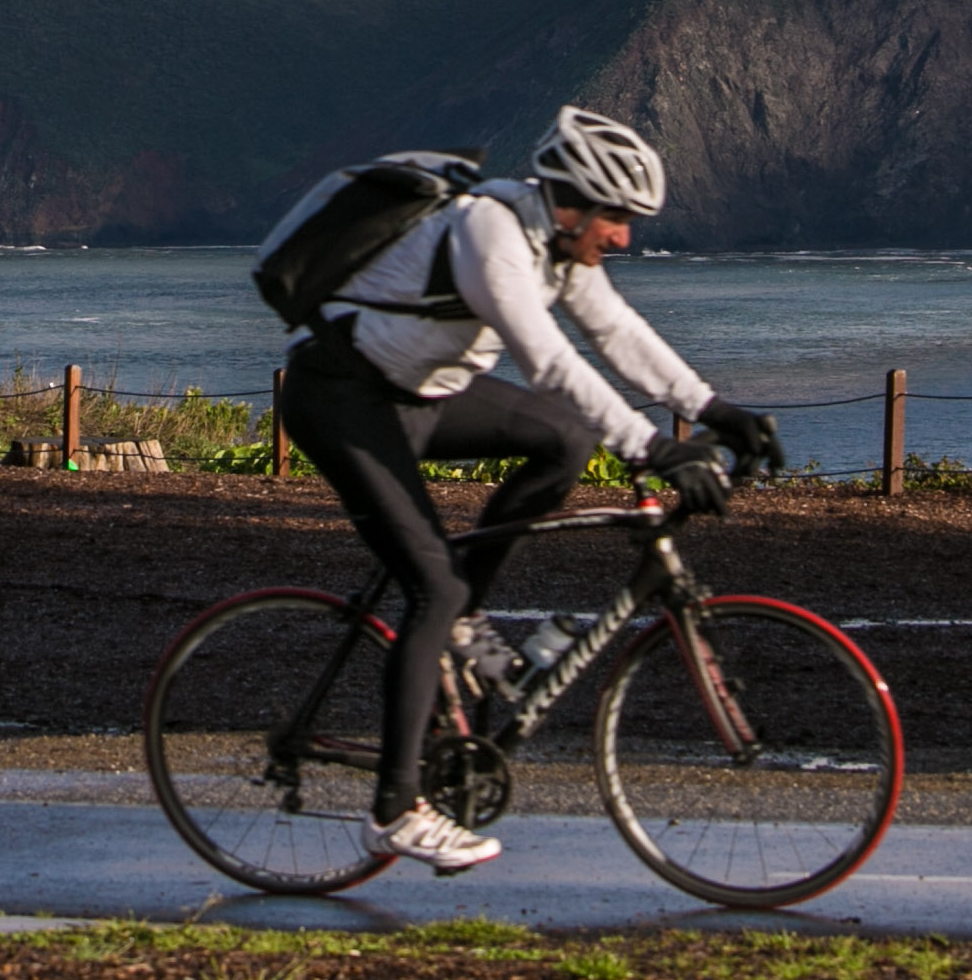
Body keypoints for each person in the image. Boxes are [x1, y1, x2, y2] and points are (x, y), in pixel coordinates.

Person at [270, 105, 783, 874]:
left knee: (563, 439)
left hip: (415, 395)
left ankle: (464, 620)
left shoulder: (555, 244)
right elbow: (550, 361)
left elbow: (617, 334)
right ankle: (396, 811)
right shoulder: (490, 234)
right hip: (341, 400)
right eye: (616, 217)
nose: (623, 237)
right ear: (570, 200)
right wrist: (651, 447)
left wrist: (712, 409)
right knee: (432, 588)